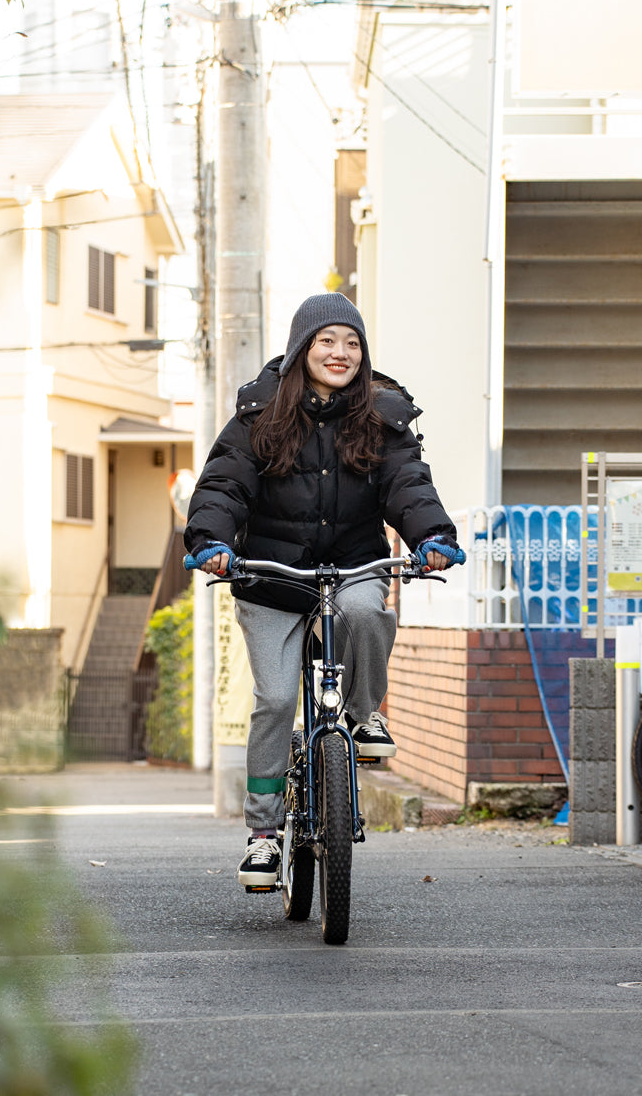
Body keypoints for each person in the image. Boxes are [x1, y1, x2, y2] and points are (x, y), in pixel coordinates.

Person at [184, 292, 464, 887]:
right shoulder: (260, 414)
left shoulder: (384, 417)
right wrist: (211, 541)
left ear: (363, 355)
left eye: (352, 343)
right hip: (269, 577)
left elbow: (408, 486)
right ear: (301, 349)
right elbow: (223, 485)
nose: (340, 353)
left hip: (353, 569)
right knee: (277, 700)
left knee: (367, 613)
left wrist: (432, 535)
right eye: (327, 341)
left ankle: (363, 718)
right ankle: (263, 835)